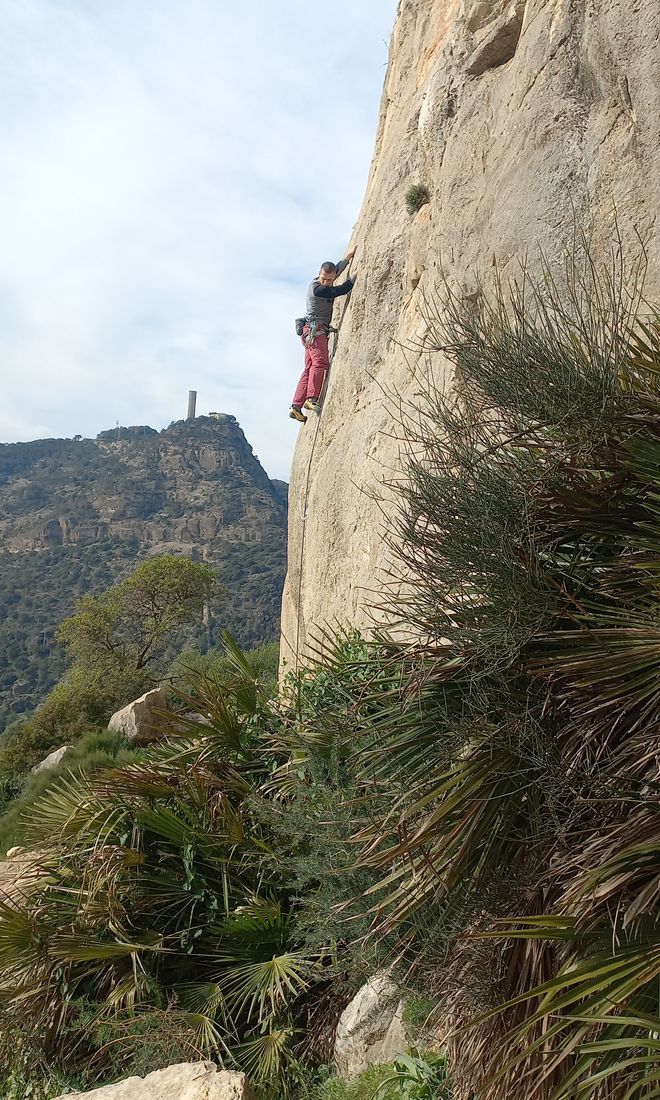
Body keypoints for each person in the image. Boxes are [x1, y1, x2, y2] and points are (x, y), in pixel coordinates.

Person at [290, 251, 356, 422]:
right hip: (315, 330)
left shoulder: (325, 280)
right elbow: (341, 290)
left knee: (310, 366)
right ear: (318, 274)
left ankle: (296, 406)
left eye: (329, 279)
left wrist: (347, 259)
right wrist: (354, 279)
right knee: (320, 363)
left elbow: (336, 270)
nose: (326, 282)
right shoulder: (317, 289)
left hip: (310, 332)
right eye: (324, 278)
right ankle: (311, 399)